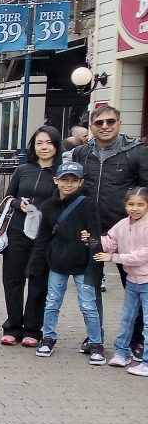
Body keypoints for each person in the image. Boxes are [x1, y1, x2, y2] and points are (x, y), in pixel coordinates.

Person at [71, 105, 148, 359]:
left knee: (136, 287)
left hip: (128, 230)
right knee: (90, 286)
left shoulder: (135, 151)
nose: (105, 126)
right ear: (92, 126)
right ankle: (95, 337)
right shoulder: (82, 152)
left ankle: (137, 340)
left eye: (110, 121)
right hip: (92, 230)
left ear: (119, 122)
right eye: (100, 122)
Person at [28, 161, 104, 364]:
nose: (68, 184)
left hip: (81, 263)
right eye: (64, 180)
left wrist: (96, 261)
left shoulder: (88, 204)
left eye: (73, 180)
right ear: (56, 180)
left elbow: (96, 236)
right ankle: (48, 338)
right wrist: (35, 265)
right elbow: (43, 238)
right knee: (52, 303)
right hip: (57, 263)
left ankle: (96, 343)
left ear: (80, 182)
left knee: (88, 305)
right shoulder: (49, 206)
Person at [0, 126, 61, 347]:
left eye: (49, 143)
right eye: (39, 143)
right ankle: (13, 326)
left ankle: (33, 329)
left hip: (45, 234)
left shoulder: (61, 172)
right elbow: (8, 197)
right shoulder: (23, 169)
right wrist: (18, 204)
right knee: (13, 279)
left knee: (38, 281)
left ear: (56, 145)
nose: (44, 147)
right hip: (17, 230)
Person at [92, 187, 148, 374]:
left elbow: (142, 256)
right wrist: (90, 240)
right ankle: (122, 352)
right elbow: (109, 242)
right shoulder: (122, 224)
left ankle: (146, 361)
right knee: (127, 318)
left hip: (147, 281)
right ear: (125, 205)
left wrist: (114, 258)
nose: (135, 208)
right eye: (131, 204)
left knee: (147, 321)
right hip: (132, 281)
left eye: (141, 204)